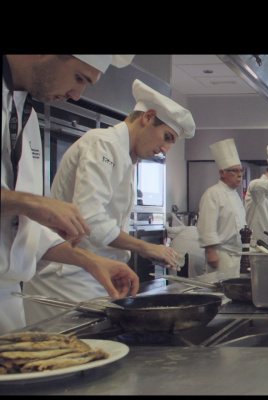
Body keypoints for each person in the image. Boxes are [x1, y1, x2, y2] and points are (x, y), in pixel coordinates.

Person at [23, 79, 196, 322]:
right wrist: (144, 246)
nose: (165, 149)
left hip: (95, 275)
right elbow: (91, 220)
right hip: (68, 278)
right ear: (148, 117)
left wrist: (144, 250)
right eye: (166, 137)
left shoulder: (125, 155)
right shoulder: (104, 144)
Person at [1, 55, 140, 333]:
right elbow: (26, 208)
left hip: (8, 300)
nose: (77, 95)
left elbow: (18, 229)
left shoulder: (25, 112)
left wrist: (91, 261)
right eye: (79, 78)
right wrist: (30, 203)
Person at [197, 139, 248, 273]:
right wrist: (211, 251)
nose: (239, 175)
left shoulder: (235, 195)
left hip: (238, 254)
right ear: (222, 172)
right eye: (234, 171)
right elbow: (206, 225)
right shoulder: (213, 194)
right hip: (221, 255)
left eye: (241, 171)